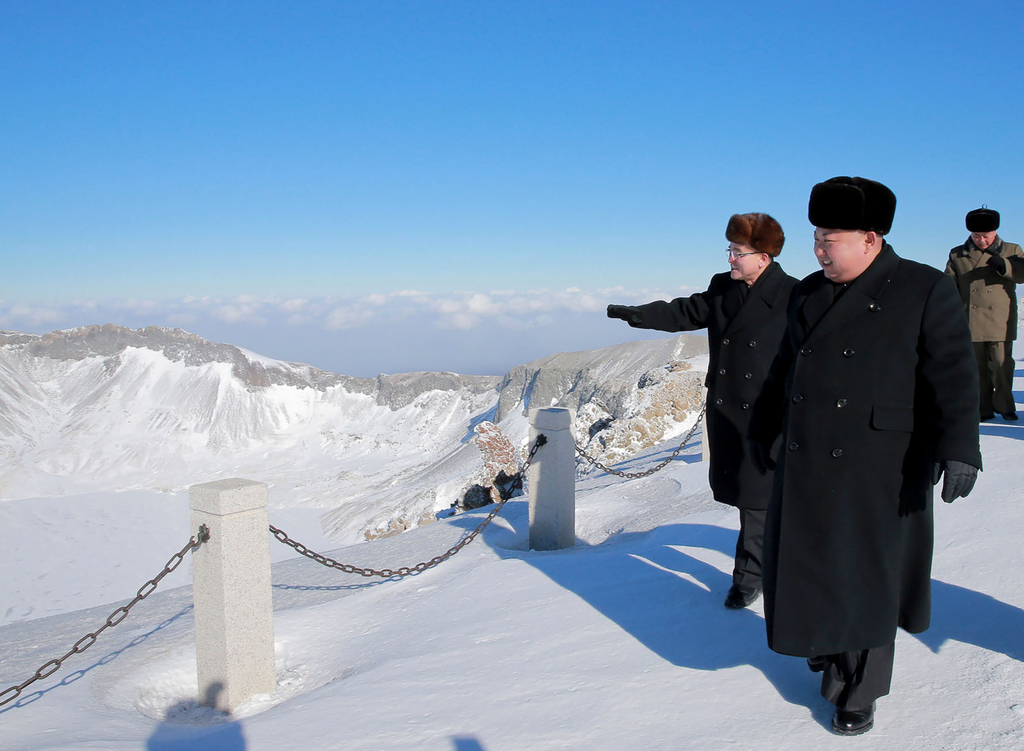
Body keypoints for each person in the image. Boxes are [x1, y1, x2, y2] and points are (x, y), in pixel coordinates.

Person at [748, 177, 982, 736]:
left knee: (866, 580)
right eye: (816, 237)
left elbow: (952, 374)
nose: (818, 248)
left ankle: (861, 690)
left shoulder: (923, 287)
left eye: (830, 237)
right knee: (814, 567)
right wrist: (762, 430)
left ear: (871, 238)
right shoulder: (807, 292)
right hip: (808, 458)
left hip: (882, 463)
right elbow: (784, 368)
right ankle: (827, 648)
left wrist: (959, 450)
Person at [607, 213, 797, 610]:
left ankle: (750, 578)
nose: (731, 259)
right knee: (751, 497)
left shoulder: (794, 296)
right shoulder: (723, 287)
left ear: (763, 257)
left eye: (738, 252)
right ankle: (760, 570)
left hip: (768, 414)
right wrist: (640, 315)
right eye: (729, 250)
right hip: (729, 410)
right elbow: (686, 311)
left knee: (759, 500)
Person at [945, 207, 1024, 421]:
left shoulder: (1012, 250)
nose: (981, 241)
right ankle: (983, 409)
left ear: (995, 232)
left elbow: (1022, 274)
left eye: (985, 236)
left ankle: (1006, 406)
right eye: (976, 236)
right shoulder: (957, 254)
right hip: (970, 320)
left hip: (1000, 320)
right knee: (976, 369)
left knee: (1001, 365)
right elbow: (949, 285)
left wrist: (1006, 265)